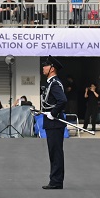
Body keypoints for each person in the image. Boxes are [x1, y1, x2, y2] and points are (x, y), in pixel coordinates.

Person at [40, 55, 67, 190]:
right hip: (51, 123)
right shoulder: (51, 83)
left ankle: (56, 181)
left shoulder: (55, 83)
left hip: (55, 122)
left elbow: (62, 100)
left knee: (56, 153)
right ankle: (55, 180)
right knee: (53, 152)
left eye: (45, 65)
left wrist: (53, 113)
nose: (43, 68)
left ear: (52, 68)